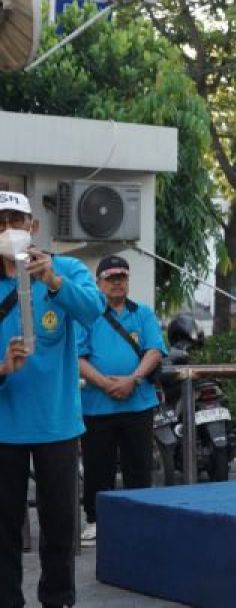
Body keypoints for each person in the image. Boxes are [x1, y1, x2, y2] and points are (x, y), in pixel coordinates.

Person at [0, 191, 104, 608]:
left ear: (34, 227)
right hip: (5, 429)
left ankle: (58, 601)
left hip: (57, 424)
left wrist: (52, 281)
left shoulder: (67, 269)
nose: (9, 230)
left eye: (17, 220)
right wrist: (3, 366)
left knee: (60, 526)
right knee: (3, 528)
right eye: (1, 221)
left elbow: (94, 310)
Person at [77, 255, 166, 546]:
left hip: (137, 401)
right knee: (96, 466)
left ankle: (138, 517)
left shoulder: (142, 313)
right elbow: (77, 357)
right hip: (96, 404)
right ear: (99, 282)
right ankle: (95, 520)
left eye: (122, 277)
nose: (117, 283)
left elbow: (154, 351)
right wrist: (104, 383)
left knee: (139, 465)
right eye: (111, 278)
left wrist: (133, 380)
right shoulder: (87, 315)